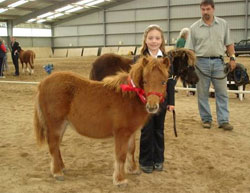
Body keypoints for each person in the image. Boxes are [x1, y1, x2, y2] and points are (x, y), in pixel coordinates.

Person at [185, 0, 236, 130]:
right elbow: (190, 49)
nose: (205, 12)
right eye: (203, 9)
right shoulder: (194, 27)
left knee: (222, 93)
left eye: (208, 9)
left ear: (213, 9)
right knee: (202, 93)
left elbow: (229, 44)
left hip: (219, 62)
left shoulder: (223, 24)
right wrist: (190, 65)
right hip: (200, 63)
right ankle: (206, 119)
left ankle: (223, 120)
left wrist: (232, 58)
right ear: (200, 10)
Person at [135, 24, 176, 173]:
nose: (154, 41)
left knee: (159, 130)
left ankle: (158, 159)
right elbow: (135, 83)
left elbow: (170, 82)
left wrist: (171, 102)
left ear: (162, 40)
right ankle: (145, 161)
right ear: (145, 40)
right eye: (150, 38)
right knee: (146, 131)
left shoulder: (167, 59)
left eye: (157, 38)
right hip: (143, 103)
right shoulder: (138, 59)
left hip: (162, 101)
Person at [176, 28, 196, 96]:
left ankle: (188, 90)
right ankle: (188, 90)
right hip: (182, 61)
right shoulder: (182, 41)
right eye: (188, 34)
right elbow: (182, 50)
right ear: (185, 34)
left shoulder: (181, 40)